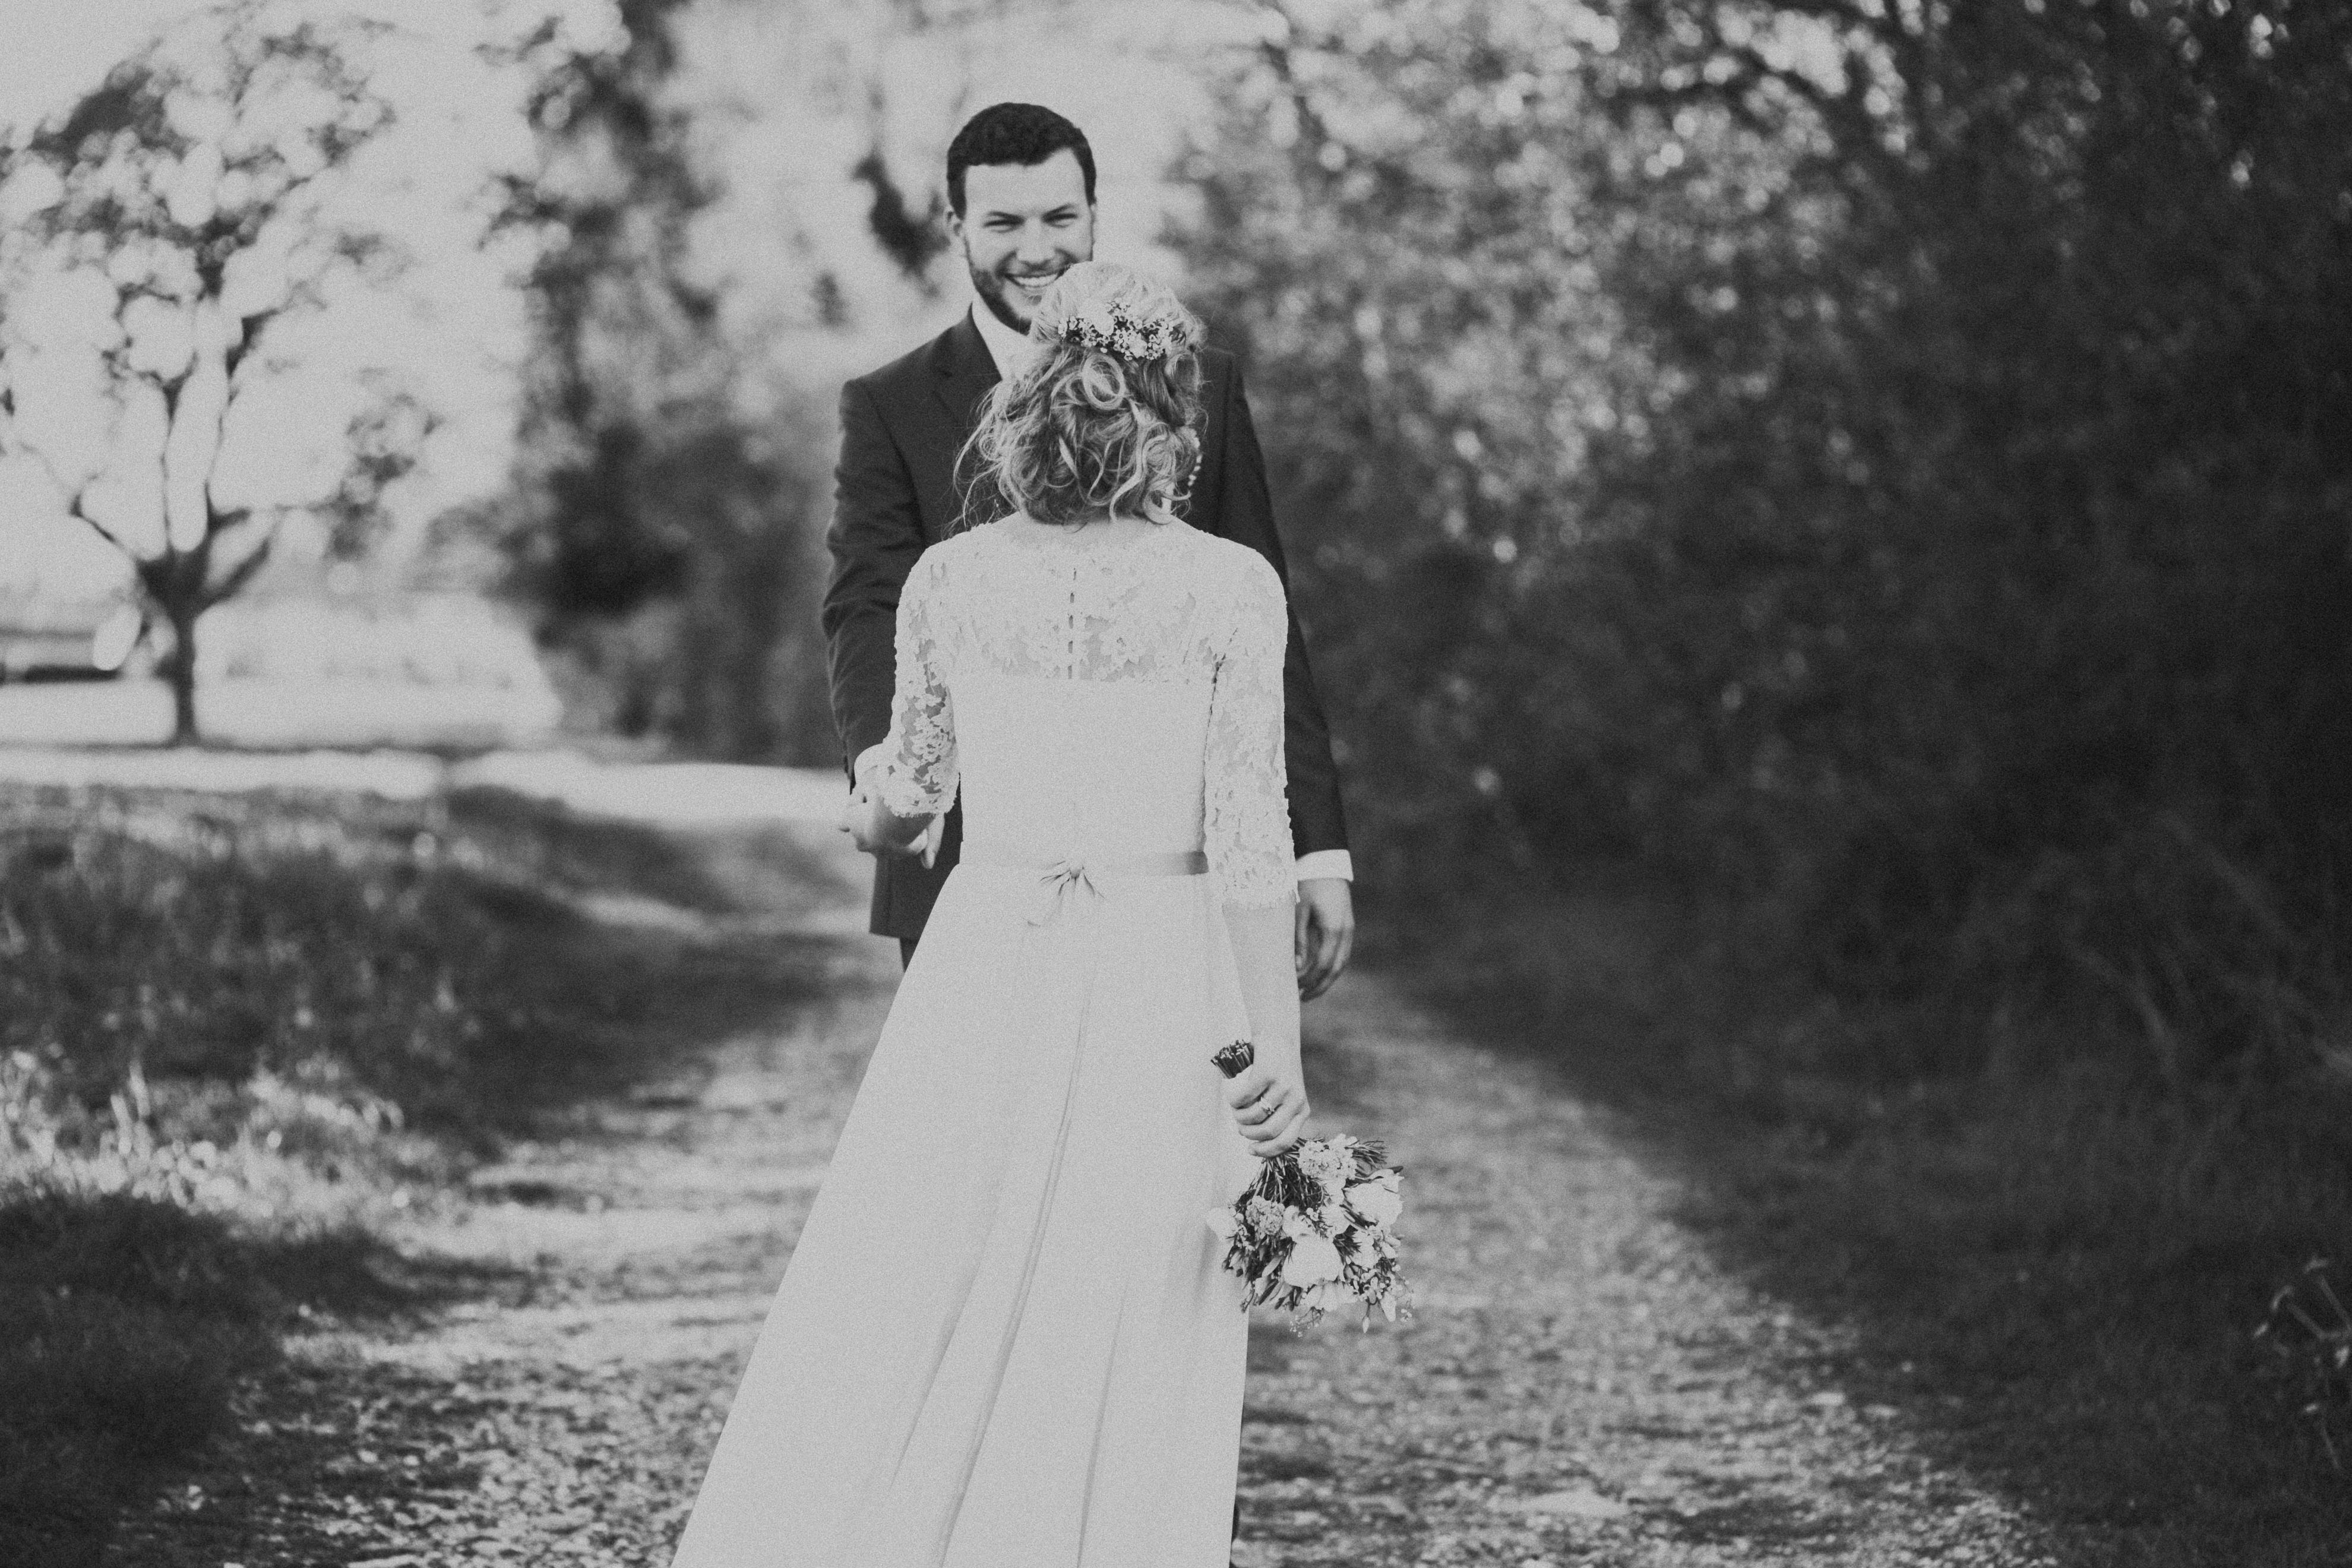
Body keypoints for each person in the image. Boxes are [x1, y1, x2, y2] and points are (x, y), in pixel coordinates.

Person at [667, 261, 1310, 1566]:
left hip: (985, 960)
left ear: (1029, 406)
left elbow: (908, 800)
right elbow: (1253, 840)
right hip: (1162, 972)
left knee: (931, 1266)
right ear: (1173, 415)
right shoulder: (1232, 587)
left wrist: (869, 808)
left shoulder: (949, 582)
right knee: (1132, 1291)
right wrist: (1280, 1058)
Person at [821, 102, 1355, 997]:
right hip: (969, 869)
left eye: (1060, 217)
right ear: (957, 226)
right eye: (1004, 223)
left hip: (1173, 874)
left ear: (1096, 214)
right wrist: (894, 780)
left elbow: (1263, 623)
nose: (1036, 250)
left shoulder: (1199, 381)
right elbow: (867, 605)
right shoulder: (890, 402)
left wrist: (1317, 852)